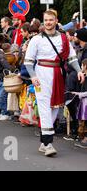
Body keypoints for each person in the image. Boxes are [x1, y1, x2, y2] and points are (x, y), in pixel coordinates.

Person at [24, 10, 84, 156]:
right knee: (44, 106)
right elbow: (28, 61)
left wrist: (79, 71)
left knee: (54, 108)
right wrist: (33, 76)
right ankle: (49, 143)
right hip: (41, 74)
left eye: (51, 20)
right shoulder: (36, 39)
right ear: (43, 21)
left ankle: (44, 141)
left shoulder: (63, 38)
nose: (48, 22)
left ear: (56, 21)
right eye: (46, 20)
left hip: (58, 75)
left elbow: (71, 58)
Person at [72, 59, 87, 148]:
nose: (81, 67)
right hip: (84, 102)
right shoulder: (84, 77)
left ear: (85, 66)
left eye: (81, 65)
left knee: (85, 121)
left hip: (86, 103)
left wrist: (79, 94)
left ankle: (86, 139)